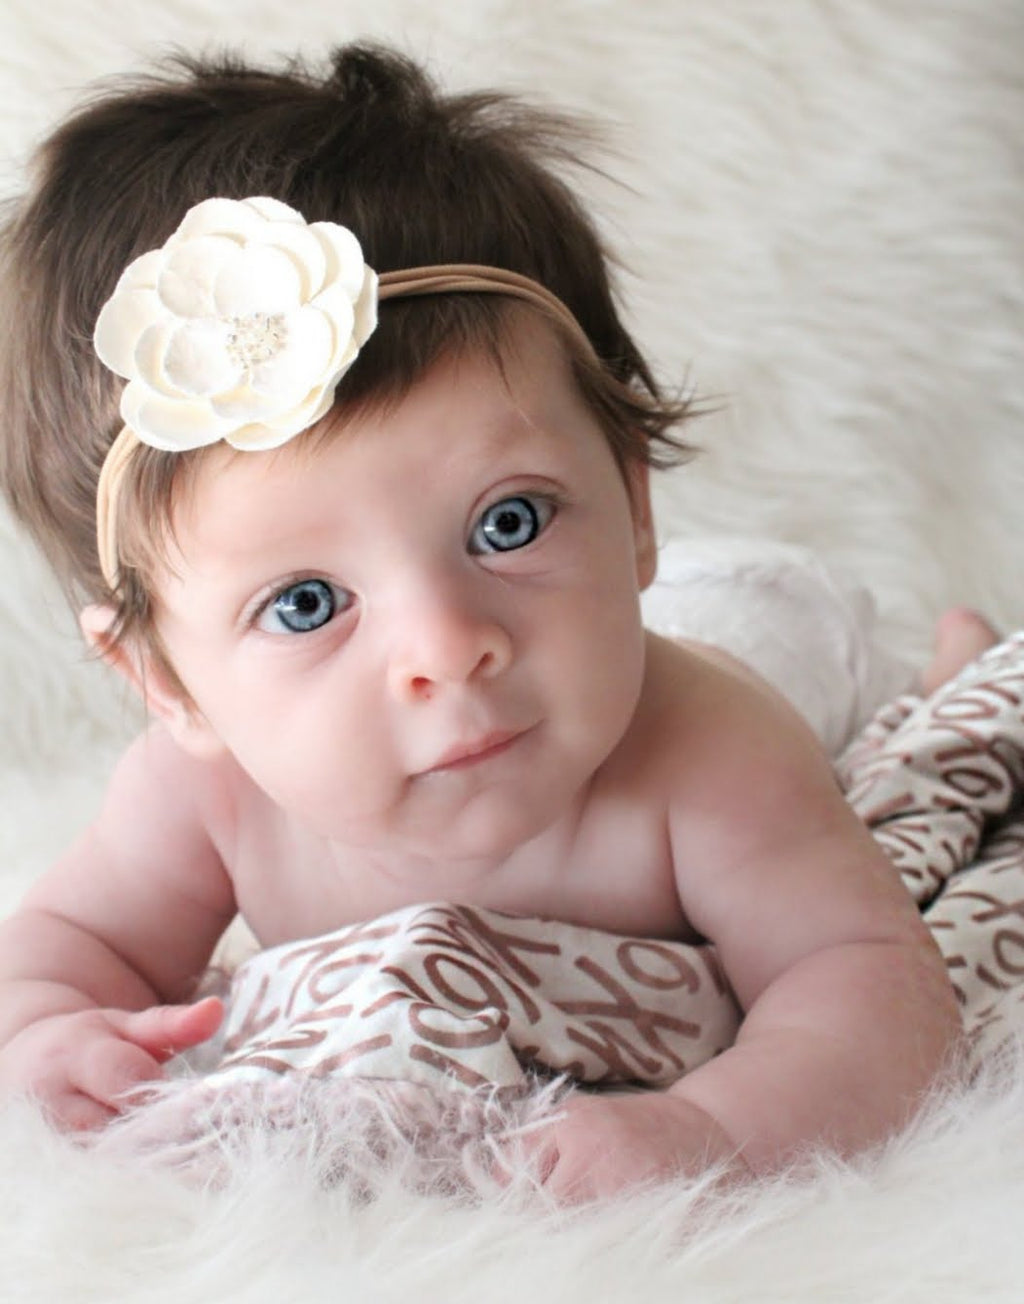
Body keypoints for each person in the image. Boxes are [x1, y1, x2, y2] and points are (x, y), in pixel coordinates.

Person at [0, 44, 982, 1200]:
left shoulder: (710, 749)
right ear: (166, 682)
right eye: (306, 602)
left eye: (509, 520)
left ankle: (947, 660)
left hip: (759, 618)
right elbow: (72, 950)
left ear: (632, 504)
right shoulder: (197, 795)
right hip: (609, 622)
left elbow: (869, 977)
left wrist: (706, 1131)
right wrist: (46, 1036)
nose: (446, 644)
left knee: (897, 733)